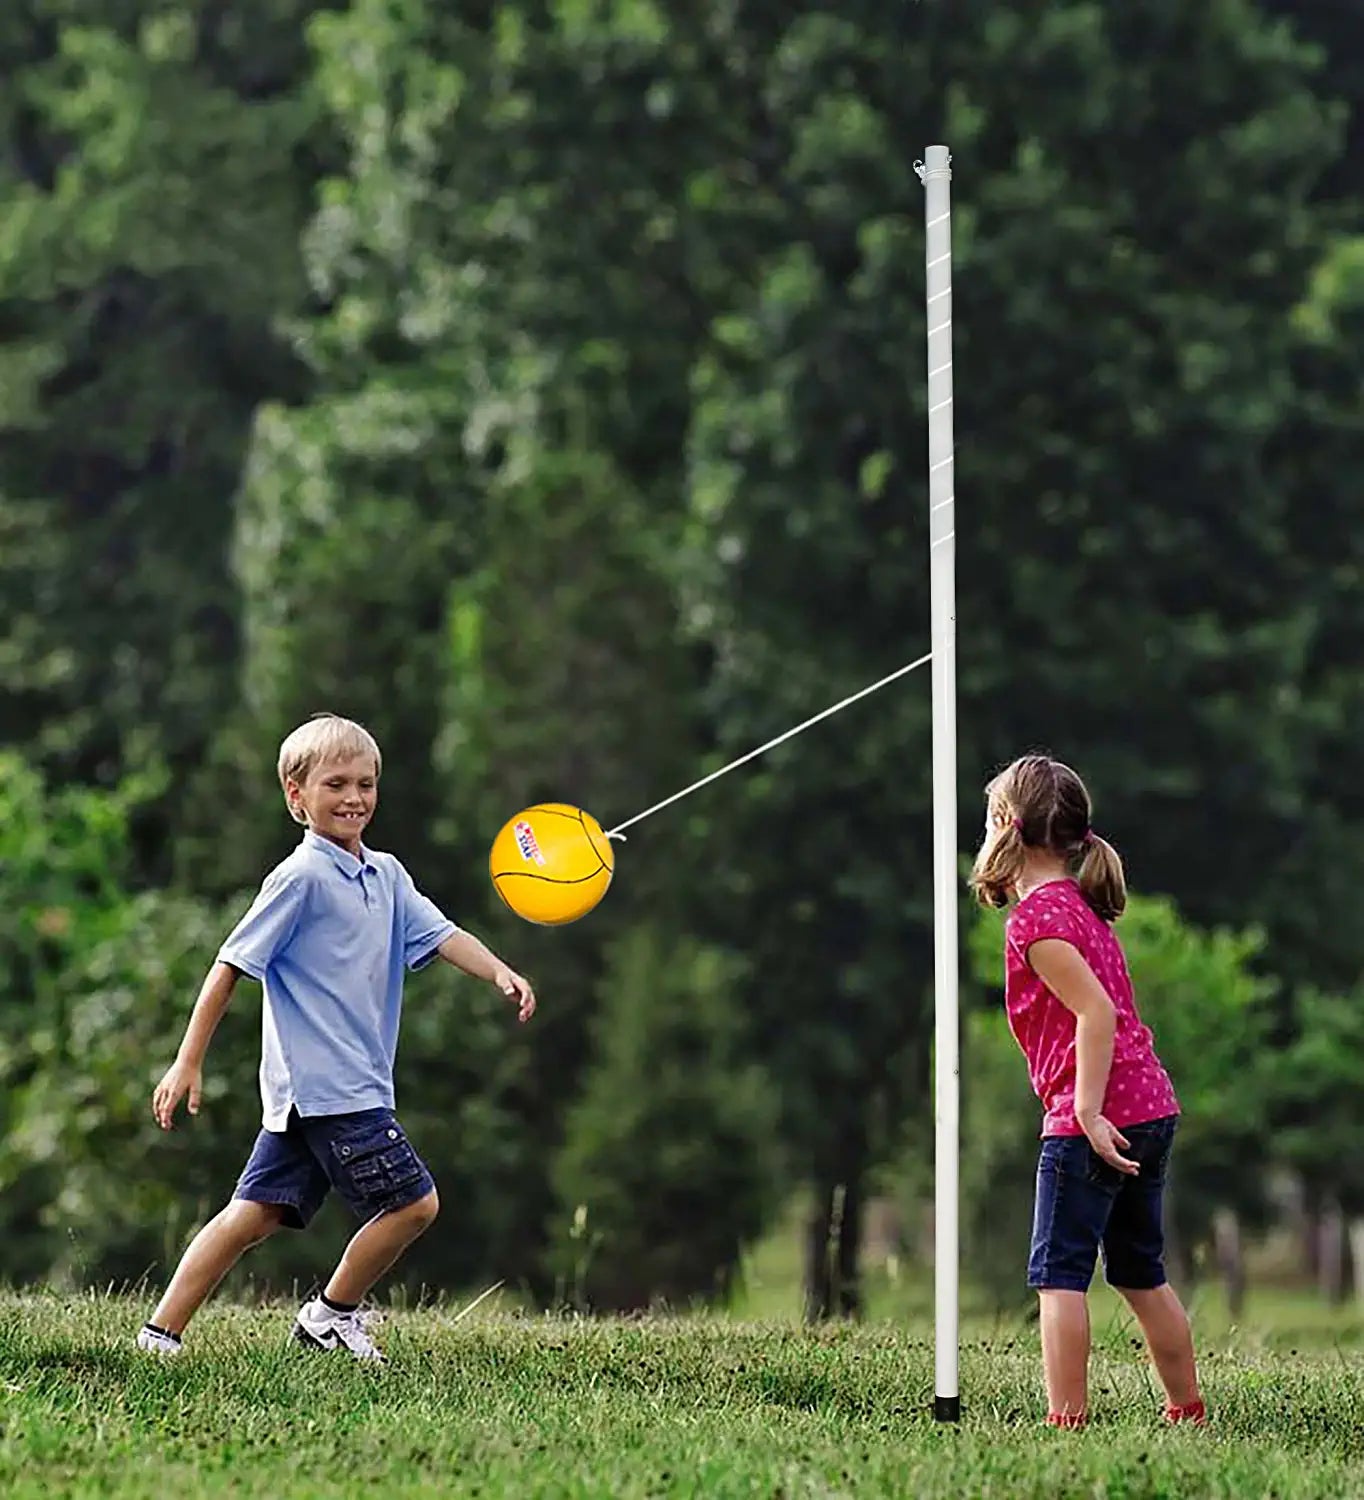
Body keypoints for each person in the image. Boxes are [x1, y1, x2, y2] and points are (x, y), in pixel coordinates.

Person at [136, 713, 536, 1363]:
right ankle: (329, 1316)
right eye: (335, 784)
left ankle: (159, 1335)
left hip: (322, 1091)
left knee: (255, 1213)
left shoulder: (387, 876)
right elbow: (230, 965)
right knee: (414, 1204)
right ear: (296, 797)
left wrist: (499, 971)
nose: (354, 798)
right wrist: (188, 1062)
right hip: (332, 1084)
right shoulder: (300, 879)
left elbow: (440, 935)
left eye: (366, 784)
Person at [969, 753, 1205, 1428]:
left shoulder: (1035, 923)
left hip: (1094, 1121)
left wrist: (1088, 1112)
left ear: (1007, 827)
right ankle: (1187, 1410)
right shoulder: (1081, 908)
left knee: (1059, 1276)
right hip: (1151, 1106)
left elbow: (1095, 1014)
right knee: (1139, 1272)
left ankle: (1065, 1422)